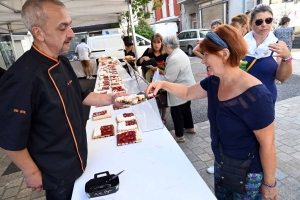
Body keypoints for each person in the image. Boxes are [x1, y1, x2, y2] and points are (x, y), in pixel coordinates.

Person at [0, 0, 124, 199]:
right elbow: (9, 137)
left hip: (81, 158)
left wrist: (111, 99)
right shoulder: (21, 78)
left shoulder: (62, 61)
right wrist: (31, 172)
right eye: (63, 27)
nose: (72, 34)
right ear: (38, 33)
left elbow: (80, 95)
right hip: (56, 174)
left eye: (70, 24)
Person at [146, 25, 278, 200]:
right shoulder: (215, 81)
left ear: (224, 54)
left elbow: (268, 145)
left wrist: (269, 184)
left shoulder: (256, 96)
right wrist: (162, 84)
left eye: (207, 55)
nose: (203, 61)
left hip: (247, 175)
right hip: (221, 165)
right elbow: (187, 92)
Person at [243, 4, 292, 99]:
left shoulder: (278, 45)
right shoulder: (240, 44)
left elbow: (281, 77)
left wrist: (287, 57)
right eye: (259, 21)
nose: (264, 24)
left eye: (268, 20)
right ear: (250, 24)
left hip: (265, 98)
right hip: (241, 96)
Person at [162, 35, 196, 143]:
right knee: (186, 109)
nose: (163, 47)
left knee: (177, 112)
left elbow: (169, 79)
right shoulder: (179, 53)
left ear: (168, 45)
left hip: (179, 89)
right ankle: (190, 127)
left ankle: (179, 135)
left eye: (163, 45)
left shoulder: (174, 58)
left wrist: (161, 81)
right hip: (187, 86)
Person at [137, 33, 168, 123]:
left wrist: (158, 69)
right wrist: (142, 59)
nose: (156, 45)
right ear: (152, 43)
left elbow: (168, 67)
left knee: (163, 98)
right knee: (152, 97)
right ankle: (154, 116)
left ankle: (163, 117)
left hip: (162, 80)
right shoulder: (148, 51)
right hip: (150, 80)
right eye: (154, 42)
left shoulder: (165, 54)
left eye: (158, 42)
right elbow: (138, 63)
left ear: (161, 43)